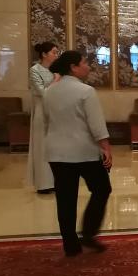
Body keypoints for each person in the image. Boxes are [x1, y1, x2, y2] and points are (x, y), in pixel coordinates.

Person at [43, 50, 112, 257]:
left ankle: (70, 245)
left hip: (56, 152)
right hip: (84, 152)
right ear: (73, 67)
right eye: (84, 63)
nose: (88, 66)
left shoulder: (49, 91)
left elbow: (47, 120)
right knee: (102, 189)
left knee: (65, 198)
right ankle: (89, 233)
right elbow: (96, 125)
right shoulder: (86, 91)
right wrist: (106, 148)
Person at [28, 41, 59, 193]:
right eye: (54, 52)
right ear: (44, 54)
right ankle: (43, 184)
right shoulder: (34, 70)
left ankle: (56, 181)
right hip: (41, 110)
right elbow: (43, 93)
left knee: (55, 146)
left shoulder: (56, 70)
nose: (56, 55)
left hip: (56, 111)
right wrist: (56, 80)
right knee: (42, 145)